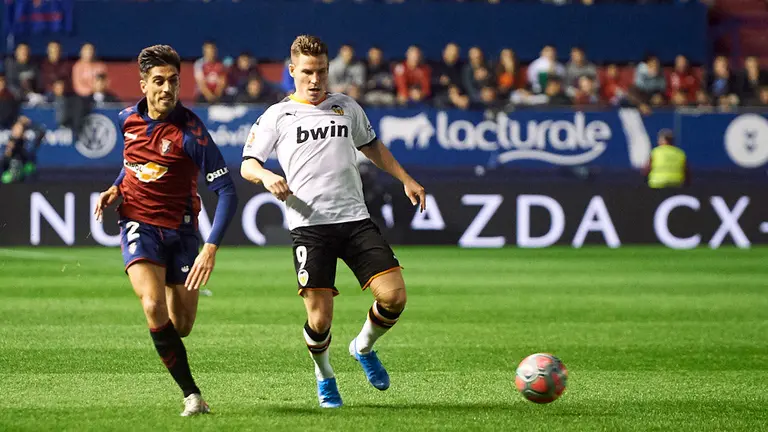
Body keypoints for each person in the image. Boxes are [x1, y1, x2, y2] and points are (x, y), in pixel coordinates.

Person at [240, 35, 426, 409]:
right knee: (320, 320)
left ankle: (363, 346)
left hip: (355, 219)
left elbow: (372, 146)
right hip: (310, 227)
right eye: (307, 72)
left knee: (394, 297)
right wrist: (266, 176)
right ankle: (325, 376)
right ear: (292, 70)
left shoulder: (346, 106)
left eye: (321, 71)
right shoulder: (277, 115)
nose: (315, 80)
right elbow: (248, 164)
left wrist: (406, 179)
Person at [94, 45, 238, 417]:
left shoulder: (192, 132)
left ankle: (168, 345)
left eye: (173, 81)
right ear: (143, 85)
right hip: (138, 222)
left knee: (182, 325)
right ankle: (192, 395)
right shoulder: (127, 119)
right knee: (152, 305)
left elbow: (226, 190)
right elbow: (133, 162)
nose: (167, 88)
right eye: (159, 81)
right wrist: (116, 187)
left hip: (183, 230)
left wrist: (210, 247)